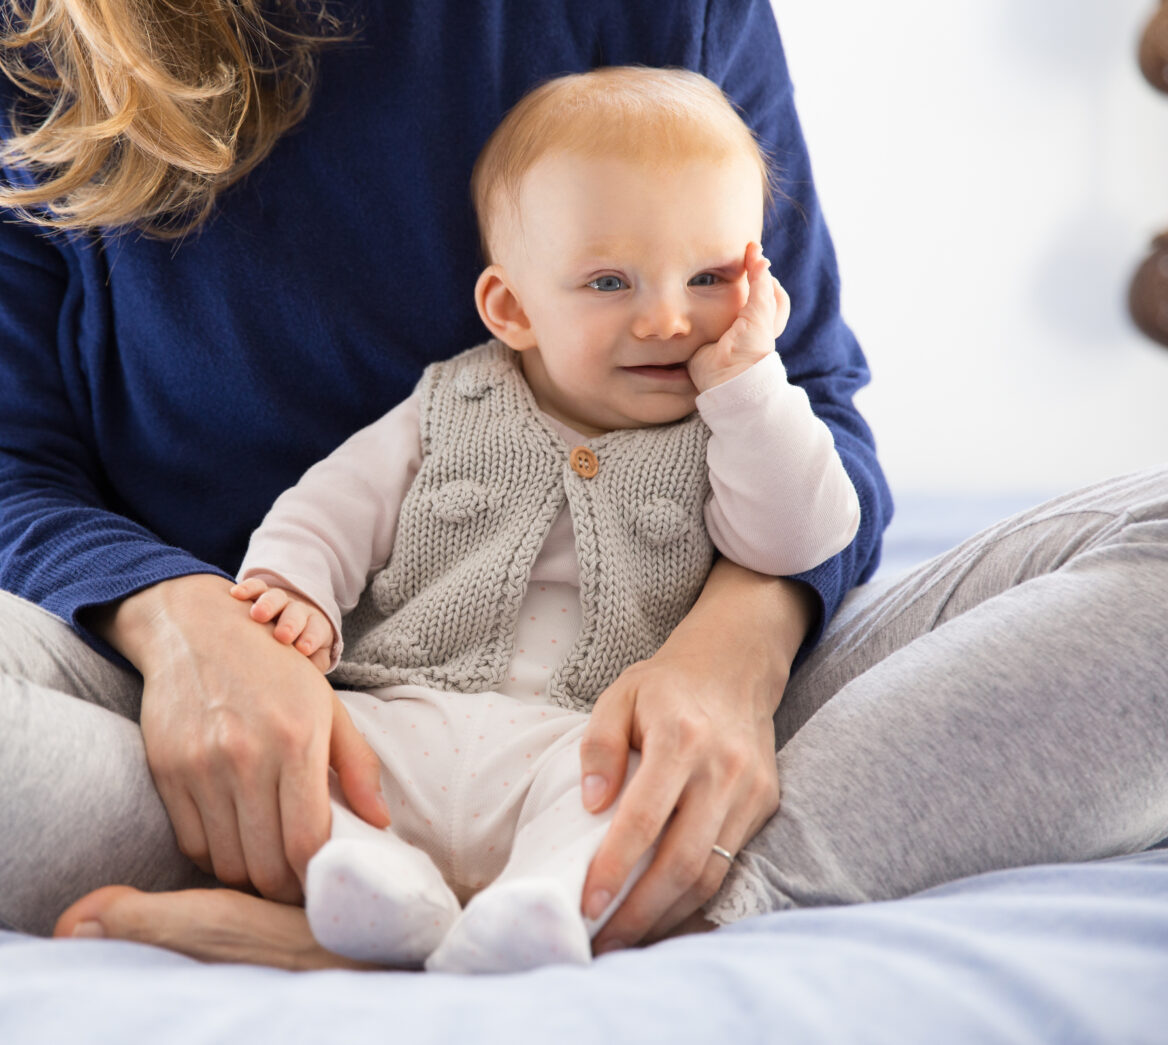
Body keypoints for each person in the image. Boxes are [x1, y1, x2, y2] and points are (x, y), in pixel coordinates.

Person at [0, 0, 1166, 974]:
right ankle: (566, 890)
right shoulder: (11, 26)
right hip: (238, 744)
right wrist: (191, 631)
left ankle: (428, 908)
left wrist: (728, 659)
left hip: (637, 718)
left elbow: (810, 402)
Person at [223, 65, 860, 972]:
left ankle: (543, 902)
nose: (670, 318)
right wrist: (297, 588)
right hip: (399, 707)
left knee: (618, 796)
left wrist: (753, 384)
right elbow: (332, 505)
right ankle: (374, 885)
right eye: (610, 282)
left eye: (712, 275)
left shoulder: (730, 428)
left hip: (581, 737)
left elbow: (805, 537)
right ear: (512, 308)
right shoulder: (451, 405)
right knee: (324, 766)